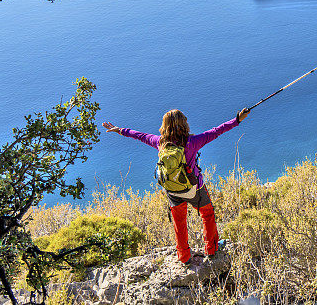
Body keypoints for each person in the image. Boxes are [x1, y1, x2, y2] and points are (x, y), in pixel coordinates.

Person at [103, 107, 250, 264]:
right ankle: (211, 249)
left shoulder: (160, 143)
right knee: (207, 215)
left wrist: (119, 130)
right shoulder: (193, 142)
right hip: (195, 189)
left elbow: (140, 136)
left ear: (165, 126)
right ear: (184, 125)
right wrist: (237, 120)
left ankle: (184, 257)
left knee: (179, 224)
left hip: (173, 191)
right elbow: (217, 131)